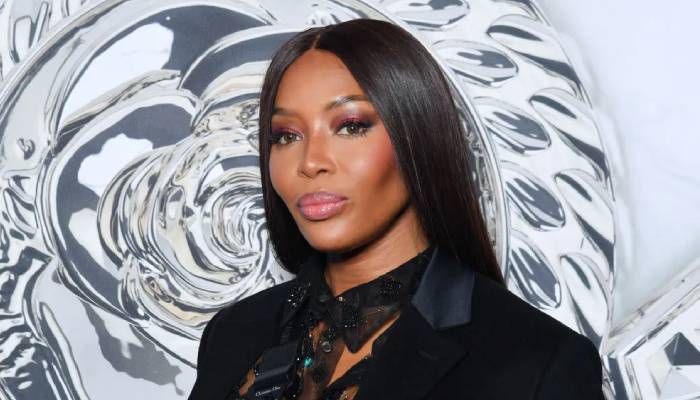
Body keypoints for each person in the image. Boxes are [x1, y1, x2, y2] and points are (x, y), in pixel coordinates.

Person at [188, 18, 604, 400]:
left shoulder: (539, 361)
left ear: (418, 135)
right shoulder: (233, 332)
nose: (310, 162)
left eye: (351, 126)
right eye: (286, 135)